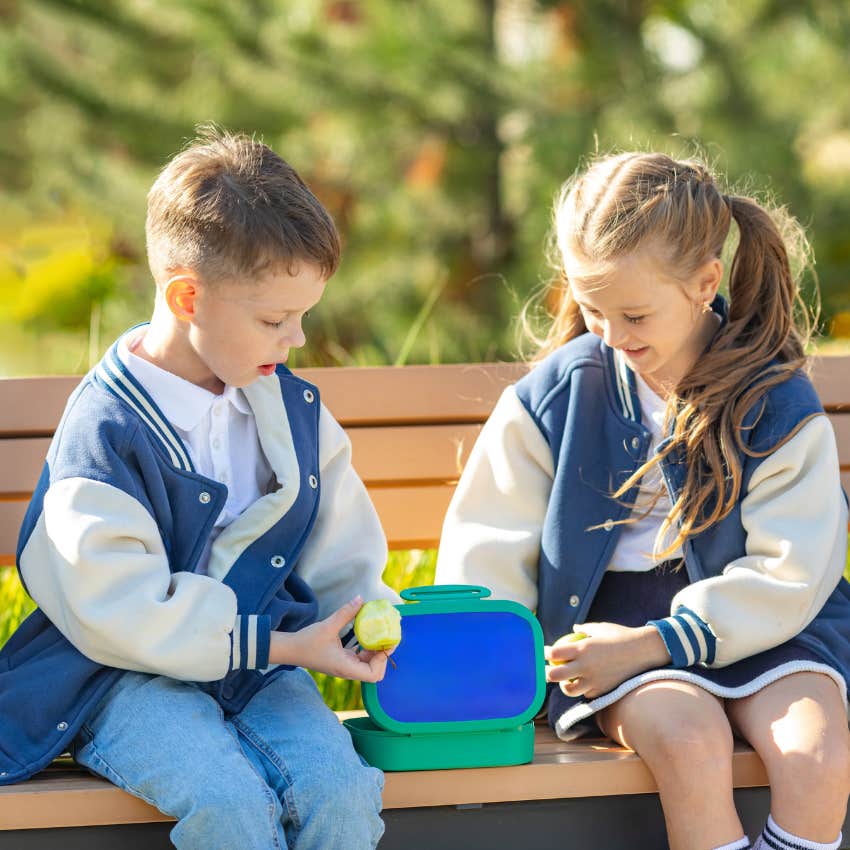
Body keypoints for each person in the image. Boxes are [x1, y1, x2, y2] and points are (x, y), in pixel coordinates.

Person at [435, 151, 850, 850]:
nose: (611, 335)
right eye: (593, 310)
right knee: (688, 743)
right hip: (611, 637)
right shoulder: (554, 397)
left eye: (634, 314)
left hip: (769, 624)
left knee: (816, 754)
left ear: (705, 283)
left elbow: (793, 570)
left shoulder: (775, 399)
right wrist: (503, 667)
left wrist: (666, 639)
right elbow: (489, 546)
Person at [0, 129, 399, 850]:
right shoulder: (106, 432)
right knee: (228, 804)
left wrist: (366, 621)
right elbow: (119, 608)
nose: (296, 339)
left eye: (303, 316)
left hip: (264, 668)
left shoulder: (290, 410)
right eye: (274, 320)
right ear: (188, 296)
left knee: (340, 792)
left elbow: (344, 554)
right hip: (124, 676)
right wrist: (282, 647)